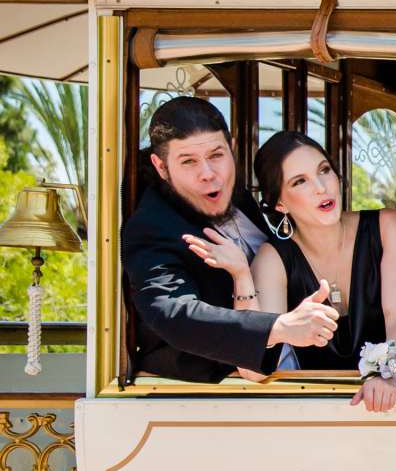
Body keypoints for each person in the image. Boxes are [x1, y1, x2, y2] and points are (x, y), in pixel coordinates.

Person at [123, 96, 339, 381]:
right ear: (161, 166)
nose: (208, 174)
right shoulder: (151, 225)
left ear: (232, 149)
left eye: (216, 155)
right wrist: (277, 327)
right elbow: (173, 312)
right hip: (212, 392)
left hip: (298, 375)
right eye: (188, 161)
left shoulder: (237, 194)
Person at [243, 131, 396, 412]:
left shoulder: (387, 226)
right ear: (280, 203)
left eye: (324, 171)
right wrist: (240, 276)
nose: (321, 187)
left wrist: (385, 373)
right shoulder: (273, 258)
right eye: (300, 181)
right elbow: (260, 364)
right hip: (318, 414)